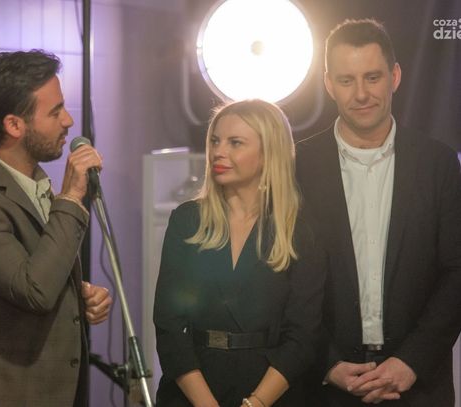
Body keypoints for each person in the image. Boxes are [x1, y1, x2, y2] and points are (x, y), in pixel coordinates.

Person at [296, 19, 461, 406]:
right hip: (323, 387)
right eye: (347, 80)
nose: (361, 94)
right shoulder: (296, 166)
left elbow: (458, 271)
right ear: (328, 84)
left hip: (419, 387)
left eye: (372, 77)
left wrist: (411, 361)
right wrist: (328, 363)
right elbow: (282, 276)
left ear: (395, 77)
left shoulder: (438, 164)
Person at [0, 50, 112, 407]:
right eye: (55, 111)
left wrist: (77, 297)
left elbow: (39, 269)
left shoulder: (35, 184)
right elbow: (35, 290)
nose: (68, 121)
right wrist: (72, 197)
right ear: (14, 125)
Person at [153, 99, 325, 407]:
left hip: (270, 391)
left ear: (268, 152)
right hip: (192, 390)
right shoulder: (188, 220)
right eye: (215, 141)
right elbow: (169, 326)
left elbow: (302, 337)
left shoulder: (299, 230)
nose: (218, 152)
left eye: (235, 143)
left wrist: (256, 403)